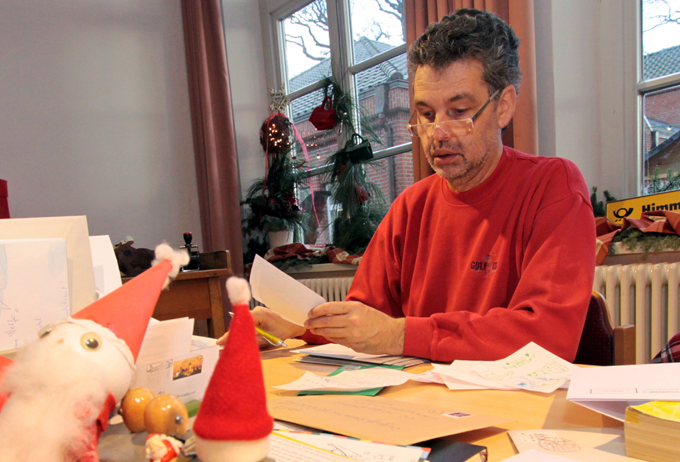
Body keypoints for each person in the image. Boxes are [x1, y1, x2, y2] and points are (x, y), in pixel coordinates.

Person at [251, 8, 596, 363]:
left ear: (503, 107)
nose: (438, 134)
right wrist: (297, 326)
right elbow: (365, 318)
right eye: (427, 115)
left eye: (459, 112)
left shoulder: (552, 187)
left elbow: (546, 337)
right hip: (421, 403)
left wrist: (398, 334)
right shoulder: (411, 206)